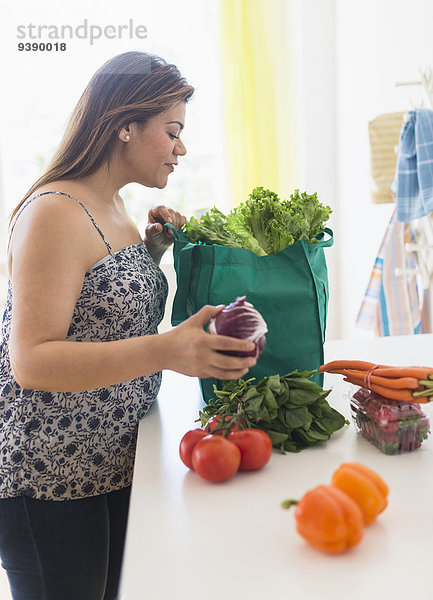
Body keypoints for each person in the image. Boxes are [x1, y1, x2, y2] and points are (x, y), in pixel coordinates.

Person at [0, 51, 257, 600]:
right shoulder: (54, 210)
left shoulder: (111, 204)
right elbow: (33, 361)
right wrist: (167, 350)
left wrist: (151, 254)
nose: (181, 148)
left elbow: (96, 314)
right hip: (50, 476)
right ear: (124, 126)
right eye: (172, 131)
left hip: (113, 459)